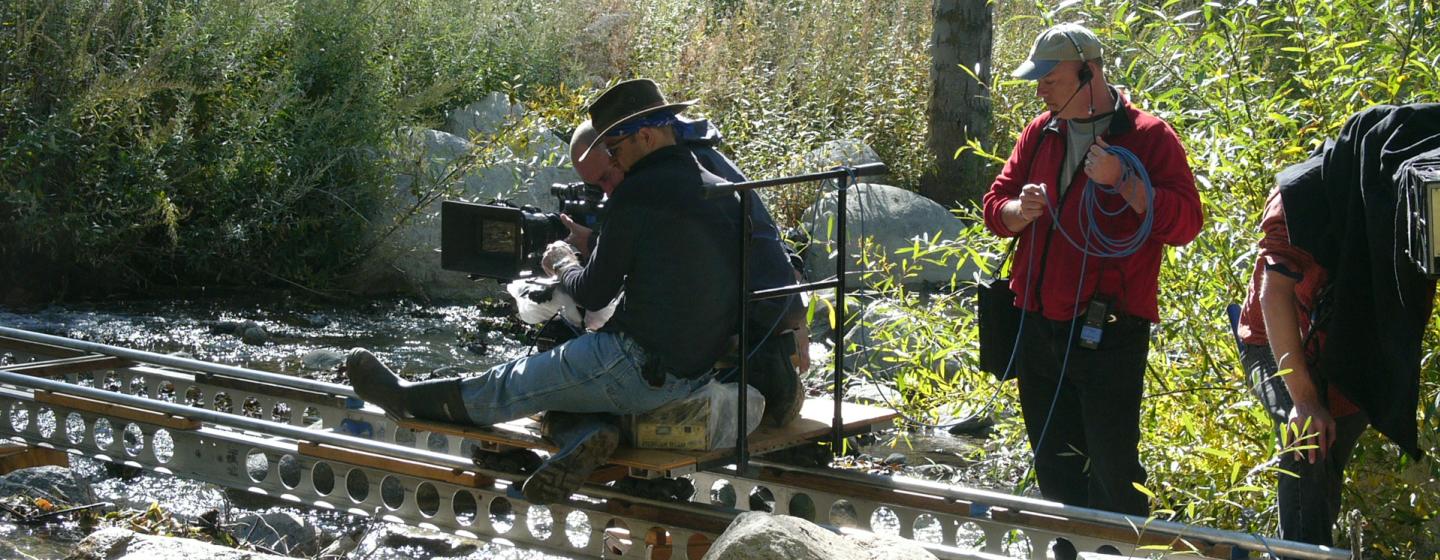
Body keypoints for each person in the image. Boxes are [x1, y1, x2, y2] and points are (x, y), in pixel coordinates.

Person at [348, 78, 742, 504]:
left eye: (614, 149)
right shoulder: (715, 186)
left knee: (511, 384)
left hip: (636, 367)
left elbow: (592, 292)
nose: (613, 161)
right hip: (694, 371)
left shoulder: (639, 193)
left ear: (644, 136)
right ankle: (591, 435)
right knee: (557, 393)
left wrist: (563, 261)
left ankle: (405, 399)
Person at [979, 22, 1203, 526]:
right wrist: (1020, 210)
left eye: (1049, 79)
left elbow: (1186, 223)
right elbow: (995, 206)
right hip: (1037, 324)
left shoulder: (1148, 137)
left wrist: (1124, 180)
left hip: (1110, 331)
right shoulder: (1042, 132)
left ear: (1088, 72)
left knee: (1113, 473)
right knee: (1054, 471)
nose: (1040, 90)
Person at [566, 114, 810, 427]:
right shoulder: (698, 158)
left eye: (605, 178)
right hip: (770, 298)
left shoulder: (684, 171)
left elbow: (673, 261)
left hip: (754, 309)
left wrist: (593, 250)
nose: (608, 192)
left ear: (624, 149)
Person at [1236, 183, 1364, 548]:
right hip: (1273, 338)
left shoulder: (1407, 190)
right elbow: (1272, 291)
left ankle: (1313, 548)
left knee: (1326, 469)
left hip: (1345, 349)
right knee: (1308, 444)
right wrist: (1304, 400)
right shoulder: (1302, 194)